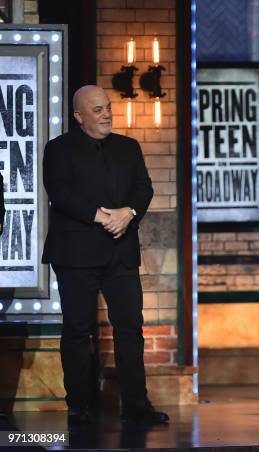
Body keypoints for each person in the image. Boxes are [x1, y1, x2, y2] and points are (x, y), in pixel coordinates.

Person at [42, 85, 168, 425]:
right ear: (79, 116)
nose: (107, 114)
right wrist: (103, 216)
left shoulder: (128, 147)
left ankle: (136, 405)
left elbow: (144, 188)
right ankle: (79, 405)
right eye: (97, 110)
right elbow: (60, 192)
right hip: (76, 252)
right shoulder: (58, 149)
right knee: (78, 330)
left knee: (130, 327)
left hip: (119, 251)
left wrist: (128, 212)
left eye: (108, 107)